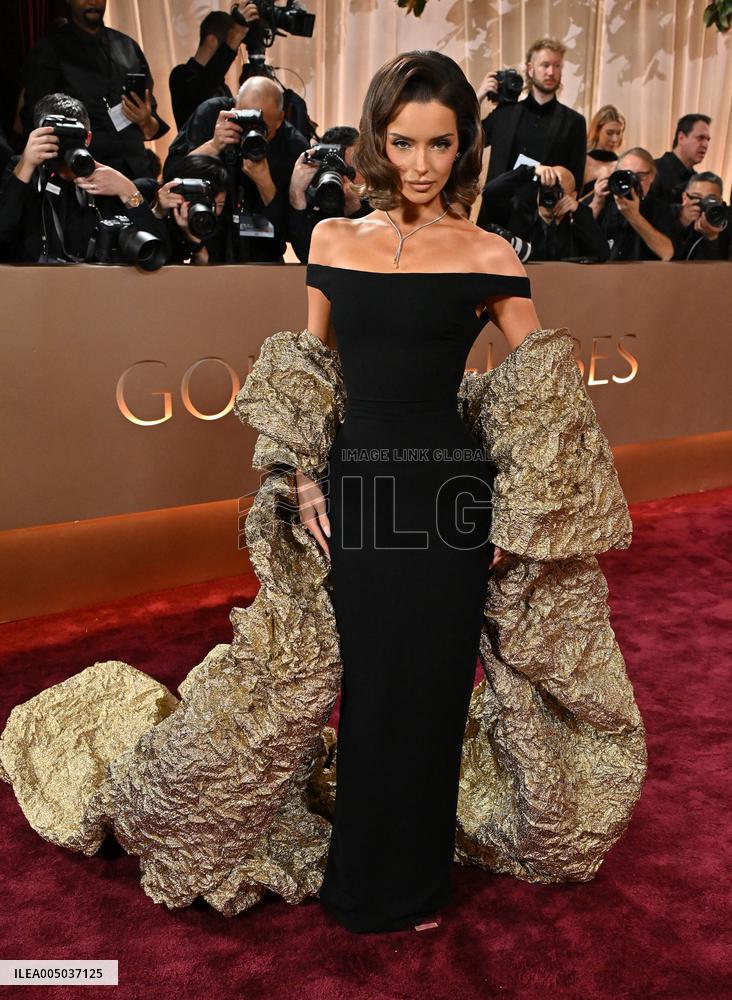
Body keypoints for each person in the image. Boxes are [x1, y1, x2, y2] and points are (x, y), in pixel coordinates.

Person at [0, 52, 646, 937]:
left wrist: (523, 512)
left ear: (465, 147)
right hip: (357, 489)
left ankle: (412, 886)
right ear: (381, 138)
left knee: (428, 692)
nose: (422, 163)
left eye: (442, 144)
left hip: (451, 498)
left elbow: (544, 388)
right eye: (405, 141)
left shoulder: (492, 254)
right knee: (371, 684)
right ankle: (360, 874)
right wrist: (303, 472)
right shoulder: (335, 240)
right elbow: (309, 367)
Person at [0, 93, 164, 263]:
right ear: (39, 135)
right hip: (31, 285)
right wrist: (25, 166)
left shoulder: (105, 178)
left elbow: (155, 254)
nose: (65, 146)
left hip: (92, 285)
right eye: (59, 137)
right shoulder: (24, 170)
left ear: (88, 138)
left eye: (74, 137)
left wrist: (128, 190)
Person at [20, 0, 169, 181]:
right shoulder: (50, 50)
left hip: (135, 174)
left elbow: (151, 129)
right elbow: (32, 121)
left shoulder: (128, 47)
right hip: (81, 177)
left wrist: (145, 120)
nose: (93, 1)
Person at [165, 76, 308, 262]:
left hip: (264, 255)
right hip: (209, 247)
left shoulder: (293, 146)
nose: (251, 131)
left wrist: (265, 184)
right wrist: (213, 146)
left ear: (280, 119)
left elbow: (290, 229)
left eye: (261, 126)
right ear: (234, 107)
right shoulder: (212, 115)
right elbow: (169, 177)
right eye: (245, 120)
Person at [474, 36, 587, 218]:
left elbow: (576, 179)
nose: (551, 72)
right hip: (496, 216)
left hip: (542, 221)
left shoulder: (574, 122)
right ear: (530, 68)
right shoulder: (505, 113)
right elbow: (471, 141)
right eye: (545, 65)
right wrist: (477, 98)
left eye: (557, 66)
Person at [480, 163, 609, 261]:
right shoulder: (518, 216)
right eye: (546, 188)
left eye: (558, 190)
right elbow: (490, 192)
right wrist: (530, 170)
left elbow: (602, 253)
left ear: (573, 195)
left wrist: (578, 211)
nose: (550, 195)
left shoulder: (577, 226)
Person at [287, 125, 372, 263]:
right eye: (337, 168)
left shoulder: (380, 200)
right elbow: (307, 256)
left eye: (350, 169)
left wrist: (355, 209)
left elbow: (371, 256)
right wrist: (296, 194)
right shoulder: (316, 197)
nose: (344, 177)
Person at [168, 3, 259, 130]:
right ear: (211, 41)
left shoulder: (220, 85)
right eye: (229, 45)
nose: (235, 53)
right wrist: (236, 32)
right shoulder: (181, 75)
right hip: (197, 149)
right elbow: (202, 91)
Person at [590, 147, 676, 261]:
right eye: (626, 175)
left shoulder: (661, 209)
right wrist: (597, 202)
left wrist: (634, 217)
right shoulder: (603, 200)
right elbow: (575, 240)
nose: (633, 182)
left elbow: (667, 253)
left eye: (640, 176)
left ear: (652, 176)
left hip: (643, 276)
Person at [152, 154, 230, 264]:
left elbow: (211, 276)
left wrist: (195, 241)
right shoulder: (166, 211)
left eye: (221, 204)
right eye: (206, 203)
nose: (214, 210)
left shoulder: (215, 225)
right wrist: (158, 212)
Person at [653, 114, 711, 205]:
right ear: (681, 138)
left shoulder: (697, 180)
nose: (705, 145)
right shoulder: (652, 170)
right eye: (700, 138)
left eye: (708, 140)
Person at [670, 171, 729, 261]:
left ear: (720, 201)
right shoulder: (670, 215)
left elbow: (718, 271)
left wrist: (711, 238)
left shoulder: (725, 223)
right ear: (684, 198)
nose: (703, 204)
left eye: (711, 199)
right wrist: (683, 223)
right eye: (697, 198)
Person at [581, 104, 625, 198]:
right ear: (597, 131)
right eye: (609, 133)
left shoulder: (623, 165)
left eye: (618, 133)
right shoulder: (582, 160)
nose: (614, 139)